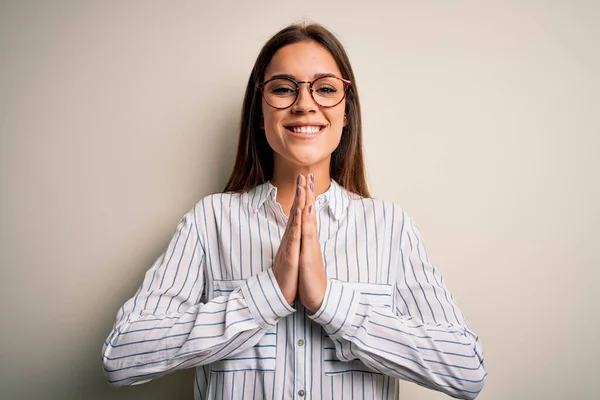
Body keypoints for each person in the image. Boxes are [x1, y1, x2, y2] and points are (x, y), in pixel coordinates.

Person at [102, 22, 487, 400]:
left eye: (325, 89)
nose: (305, 104)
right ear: (260, 112)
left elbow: (467, 371)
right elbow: (122, 356)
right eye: (284, 89)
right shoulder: (211, 221)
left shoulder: (390, 226)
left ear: (346, 113)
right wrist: (266, 294)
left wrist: (330, 303)